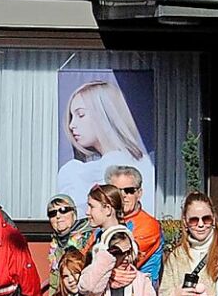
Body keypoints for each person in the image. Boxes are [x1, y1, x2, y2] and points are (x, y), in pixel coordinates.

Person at [56, 81, 156, 211]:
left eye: (80, 115)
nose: (71, 125)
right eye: (71, 116)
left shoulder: (87, 172)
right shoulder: (143, 162)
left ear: (104, 114)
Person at [106, 165, 163, 281]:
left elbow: (122, 261)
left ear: (139, 193)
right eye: (116, 191)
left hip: (139, 292)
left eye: (129, 190)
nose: (123, 196)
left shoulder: (149, 225)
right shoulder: (105, 220)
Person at [45, 194, 92, 294]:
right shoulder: (55, 244)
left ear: (74, 213)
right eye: (52, 213)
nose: (58, 216)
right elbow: (54, 281)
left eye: (63, 210)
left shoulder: (87, 237)